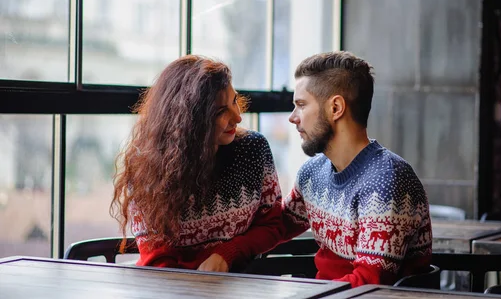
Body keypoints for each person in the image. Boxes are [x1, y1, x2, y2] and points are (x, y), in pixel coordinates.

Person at [111, 55, 283, 272]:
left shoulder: (252, 149)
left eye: (234, 101)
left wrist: (226, 254)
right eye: (221, 111)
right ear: (188, 120)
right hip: (171, 287)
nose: (237, 117)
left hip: (241, 285)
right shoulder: (146, 165)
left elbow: (272, 225)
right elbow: (158, 259)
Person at [282, 51, 432, 287]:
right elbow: (277, 225)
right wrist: (225, 253)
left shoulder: (386, 180)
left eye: (301, 105)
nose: (293, 118)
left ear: (336, 108)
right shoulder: (312, 174)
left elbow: (369, 282)